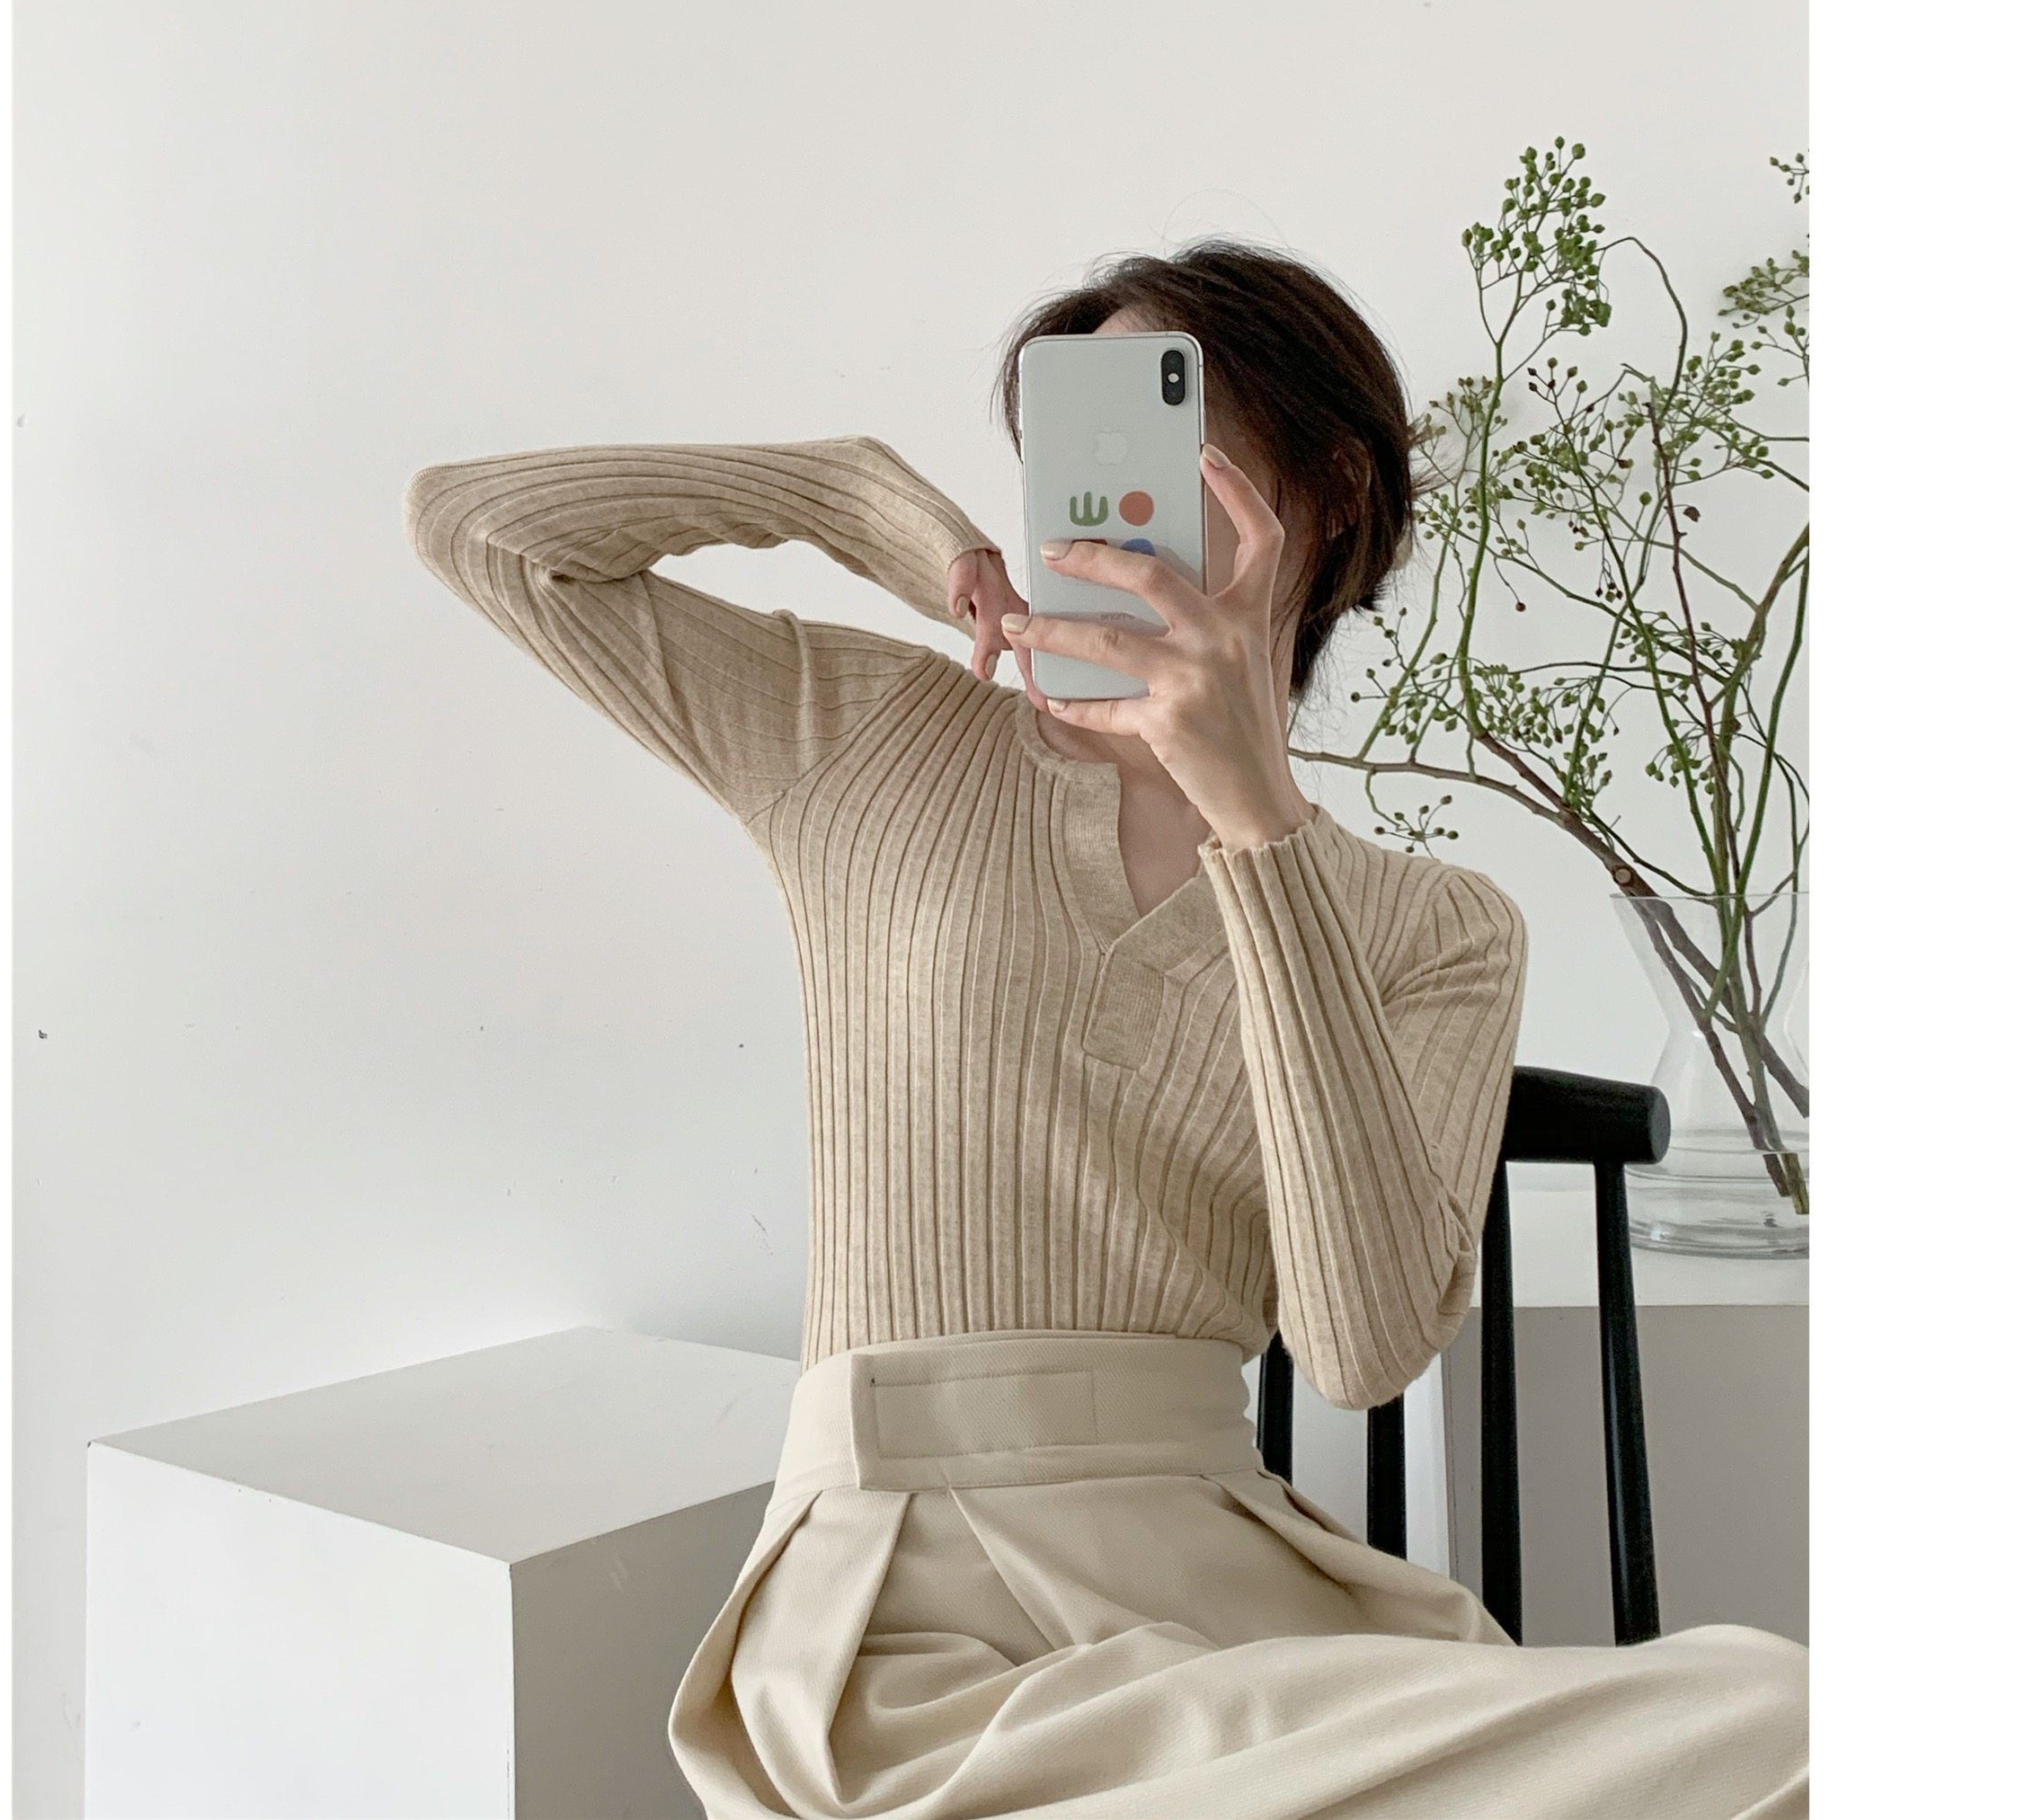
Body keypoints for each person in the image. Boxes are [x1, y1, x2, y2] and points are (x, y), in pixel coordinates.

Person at [403, 240, 1808, 1819]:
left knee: (1794, 1717)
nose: (1096, 491)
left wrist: (1258, 826)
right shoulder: (870, 740)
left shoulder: (1436, 927)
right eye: (1075, 434)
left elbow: (1358, 1351)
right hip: (900, 1623)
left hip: (1232, 1615)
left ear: (1331, 490)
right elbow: (476, 531)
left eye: (1161, 416)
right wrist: (859, 499)